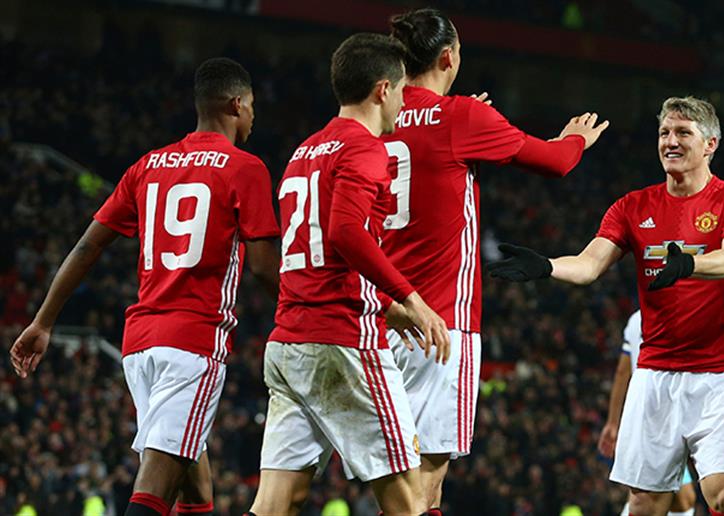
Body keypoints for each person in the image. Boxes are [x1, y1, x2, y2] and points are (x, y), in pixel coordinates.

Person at [9, 57, 279, 516]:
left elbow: (87, 246)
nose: (254, 116)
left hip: (139, 347)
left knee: (194, 483)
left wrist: (43, 320)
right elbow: (260, 267)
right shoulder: (245, 167)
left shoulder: (148, 165)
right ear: (236, 104)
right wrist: (304, 305)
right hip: (193, 343)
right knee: (155, 482)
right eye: (252, 106)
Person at [489, 96, 724, 516]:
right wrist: (546, 265)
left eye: (683, 133)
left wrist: (689, 264)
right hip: (655, 373)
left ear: (710, 144)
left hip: (722, 371)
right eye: (664, 133)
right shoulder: (633, 206)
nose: (670, 141)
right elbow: (588, 265)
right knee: (643, 503)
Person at [381, 8, 609, 513]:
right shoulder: (463, 116)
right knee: (426, 482)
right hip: (441, 324)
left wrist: (465, 119)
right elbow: (556, 161)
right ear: (448, 57)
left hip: (382, 318)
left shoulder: (378, 117)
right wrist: (577, 137)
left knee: (392, 479)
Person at [248, 33, 450, 516]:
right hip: (344, 344)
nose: (404, 102)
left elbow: (319, 258)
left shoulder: (305, 152)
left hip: (289, 343)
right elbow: (344, 232)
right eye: (401, 91)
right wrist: (412, 299)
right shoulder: (366, 148)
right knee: (410, 499)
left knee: (276, 503)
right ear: (383, 90)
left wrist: (387, 308)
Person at [600, 310, 724, 516]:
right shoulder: (695, 313)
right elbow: (696, 367)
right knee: (679, 499)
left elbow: (622, 372)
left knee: (667, 499)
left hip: (653, 407)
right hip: (687, 403)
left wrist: (612, 422)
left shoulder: (636, 320)